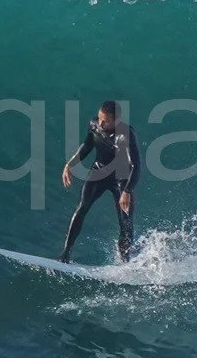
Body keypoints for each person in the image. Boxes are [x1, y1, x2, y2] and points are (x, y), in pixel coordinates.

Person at [59, 101, 142, 264]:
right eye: (99, 119)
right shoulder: (94, 124)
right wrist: (69, 165)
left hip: (121, 178)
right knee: (82, 207)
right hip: (99, 172)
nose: (101, 124)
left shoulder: (126, 134)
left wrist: (127, 191)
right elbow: (87, 146)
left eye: (106, 121)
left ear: (116, 121)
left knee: (125, 221)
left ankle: (125, 261)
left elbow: (136, 165)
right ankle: (66, 253)